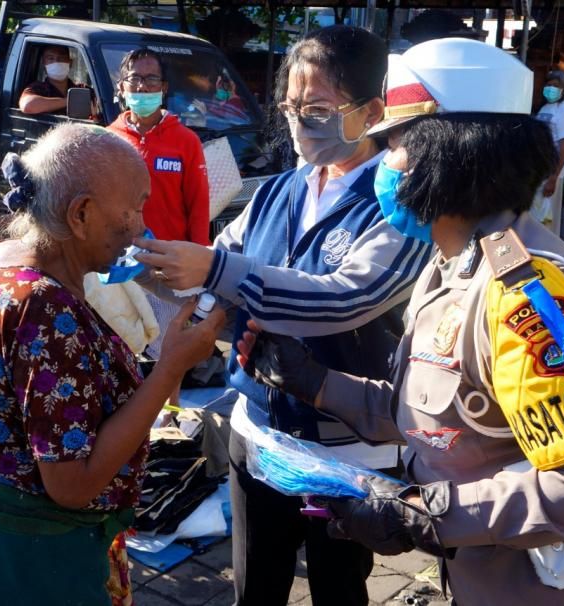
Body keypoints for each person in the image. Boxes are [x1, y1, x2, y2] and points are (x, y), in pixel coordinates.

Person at [239, 38, 564, 605]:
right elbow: (439, 416)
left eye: (393, 143)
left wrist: (427, 516)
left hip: (546, 588)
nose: (382, 163)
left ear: (445, 155)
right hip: (477, 575)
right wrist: (315, 383)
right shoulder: (450, 269)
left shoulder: (529, 297)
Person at [133, 26, 432, 605]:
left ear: (370, 111)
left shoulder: (399, 204)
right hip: (257, 425)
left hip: (345, 443)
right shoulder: (277, 191)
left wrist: (213, 270)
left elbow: (346, 297)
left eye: (318, 108)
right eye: (292, 107)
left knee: (338, 585)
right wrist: (145, 271)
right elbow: (216, 284)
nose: (299, 122)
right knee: (257, 583)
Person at [0, 123, 224, 605]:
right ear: (81, 214)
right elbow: (72, 485)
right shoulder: (45, 309)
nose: (141, 224)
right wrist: (170, 367)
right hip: (22, 553)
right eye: (136, 206)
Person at [107, 48, 210, 366]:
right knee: (120, 342)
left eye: (152, 79)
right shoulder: (108, 140)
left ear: (164, 88)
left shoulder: (186, 141)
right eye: (135, 79)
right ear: (122, 86)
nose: (143, 87)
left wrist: (199, 263)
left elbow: (198, 205)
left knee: (169, 346)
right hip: (118, 264)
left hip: (168, 264)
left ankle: (170, 413)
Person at [531, 69, 564, 236]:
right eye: (548, 85)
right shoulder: (545, 107)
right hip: (539, 171)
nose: (550, 88)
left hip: (551, 172)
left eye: (555, 85)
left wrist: (553, 177)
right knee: (536, 218)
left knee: (546, 221)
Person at [18, 44, 90, 115]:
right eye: (50, 58)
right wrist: (70, 101)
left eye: (61, 58)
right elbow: (27, 105)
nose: (56, 62)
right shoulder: (37, 89)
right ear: (44, 63)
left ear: (70, 62)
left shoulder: (83, 89)